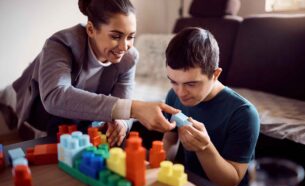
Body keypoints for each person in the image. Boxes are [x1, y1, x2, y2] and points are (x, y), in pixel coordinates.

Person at [3, 0, 178, 146]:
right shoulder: (61, 44)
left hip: (75, 108)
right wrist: (135, 108)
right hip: (34, 96)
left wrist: (122, 124)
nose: (125, 47)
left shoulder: (129, 58)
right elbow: (55, 96)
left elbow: (122, 102)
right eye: (116, 36)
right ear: (91, 30)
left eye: (130, 37)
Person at [163, 27, 260, 186]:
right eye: (173, 82)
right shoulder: (173, 95)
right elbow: (170, 139)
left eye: (191, 84)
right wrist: (162, 169)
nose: (180, 92)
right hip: (192, 183)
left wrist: (204, 148)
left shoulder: (243, 114)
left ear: (215, 74)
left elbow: (230, 183)